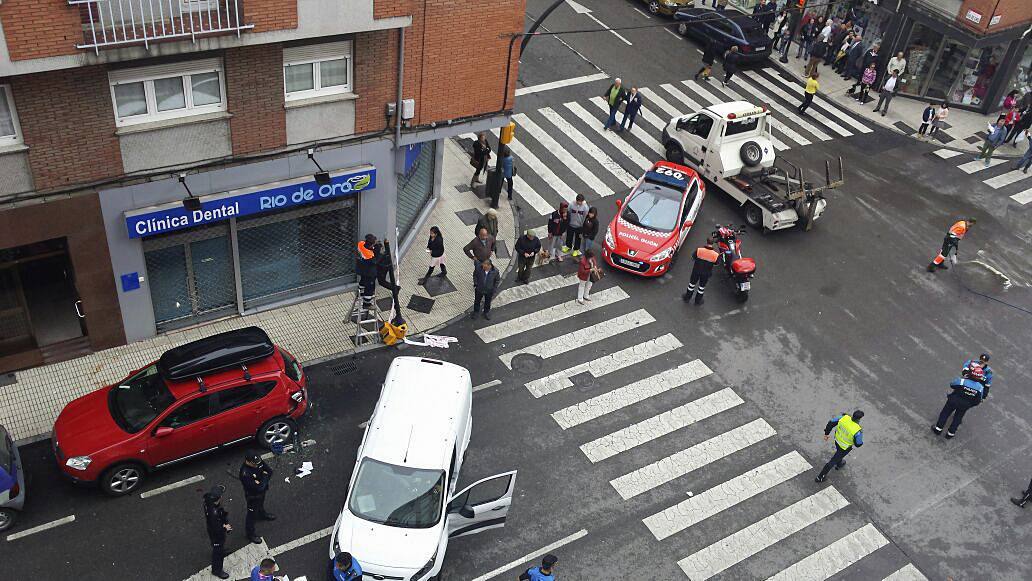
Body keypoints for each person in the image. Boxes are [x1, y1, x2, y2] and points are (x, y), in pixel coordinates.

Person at [933, 365, 987, 439]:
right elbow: (977, 401)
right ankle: (950, 434)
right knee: (958, 418)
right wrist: (969, 404)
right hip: (964, 405)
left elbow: (952, 385)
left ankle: (938, 429)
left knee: (945, 413)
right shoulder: (980, 388)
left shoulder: (962, 381)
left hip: (953, 400)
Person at [815, 410, 865, 483]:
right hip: (845, 447)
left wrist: (826, 434)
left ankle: (839, 463)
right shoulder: (857, 430)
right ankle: (820, 477)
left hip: (837, 440)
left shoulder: (843, 418)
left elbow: (830, 423)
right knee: (832, 461)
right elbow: (858, 444)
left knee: (839, 455)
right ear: (859, 419)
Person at [240, 453, 276, 544]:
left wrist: (261, 482)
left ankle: (262, 514)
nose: (256, 465)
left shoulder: (257, 462)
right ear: (247, 461)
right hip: (253, 497)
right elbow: (258, 488)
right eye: (254, 463)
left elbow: (269, 471)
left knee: (261, 504)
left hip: (261, 492)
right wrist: (264, 477)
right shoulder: (245, 473)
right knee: (251, 515)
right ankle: (250, 534)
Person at [203, 485, 232, 580]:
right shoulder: (214, 513)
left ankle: (221, 550)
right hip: (216, 533)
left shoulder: (207, 502)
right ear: (219, 498)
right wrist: (225, 527)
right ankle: (217, 570)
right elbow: (216, 528)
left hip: (212, 529)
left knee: (218, 545)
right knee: (217, 550)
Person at [356, 235, 379, 310]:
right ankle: (367, 303)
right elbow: (375, 261)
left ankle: (360, 292)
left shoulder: (361, 244)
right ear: (371, 244)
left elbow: (366, 249)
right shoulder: (369, 255)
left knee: (362, 281)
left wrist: (372, 248)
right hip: (369, 272)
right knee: (369, 288)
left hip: (361, 269)